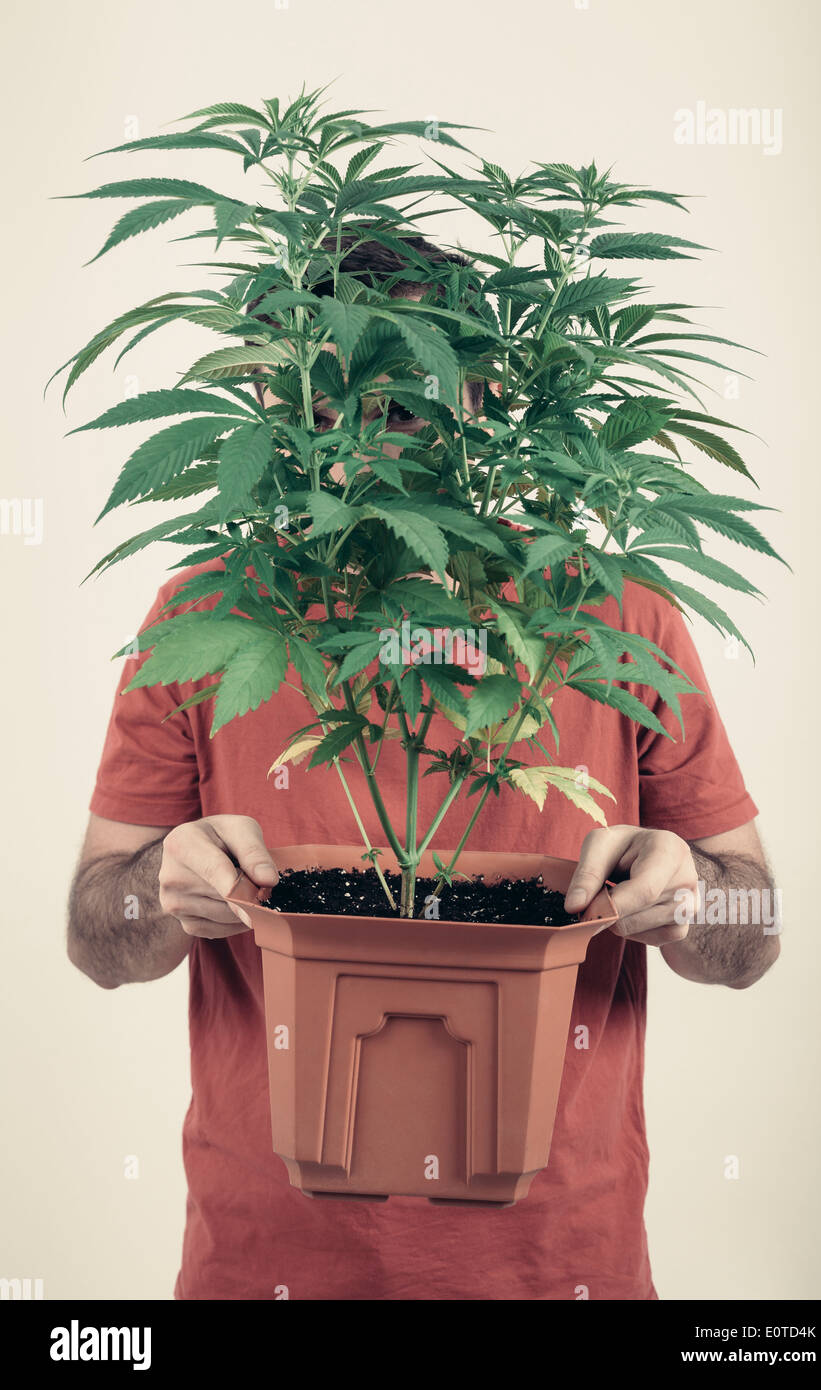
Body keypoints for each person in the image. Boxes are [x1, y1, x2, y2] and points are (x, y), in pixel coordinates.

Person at [67, 232, 779, 1301]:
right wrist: (159, 884)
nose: (363, 441)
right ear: (276, 397)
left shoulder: (611, 617)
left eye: (403, 404)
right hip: (266, 1266)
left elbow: (753, 935)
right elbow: (95, 939)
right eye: (326, 401)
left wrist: (691, 902)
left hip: (557, 1267)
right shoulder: (209, 614)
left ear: (482, 396)